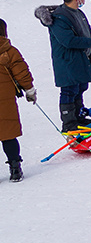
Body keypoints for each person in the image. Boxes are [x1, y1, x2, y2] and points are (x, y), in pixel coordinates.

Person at [39, 0, 91, 131]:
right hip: (68, 61)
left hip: (81, 58)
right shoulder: (60, 17)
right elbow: (68, 40)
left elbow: (87, 29)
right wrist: (90, 42)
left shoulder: (78, 12)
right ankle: (69, 123)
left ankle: (79, 117)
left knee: (80, 87)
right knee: (69, 90)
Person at [0, 18, 38, 181]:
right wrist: (29, 91)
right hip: (4, 98)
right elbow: (21, 73)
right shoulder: (8, 50)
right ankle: (15, 168)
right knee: (7, 133)